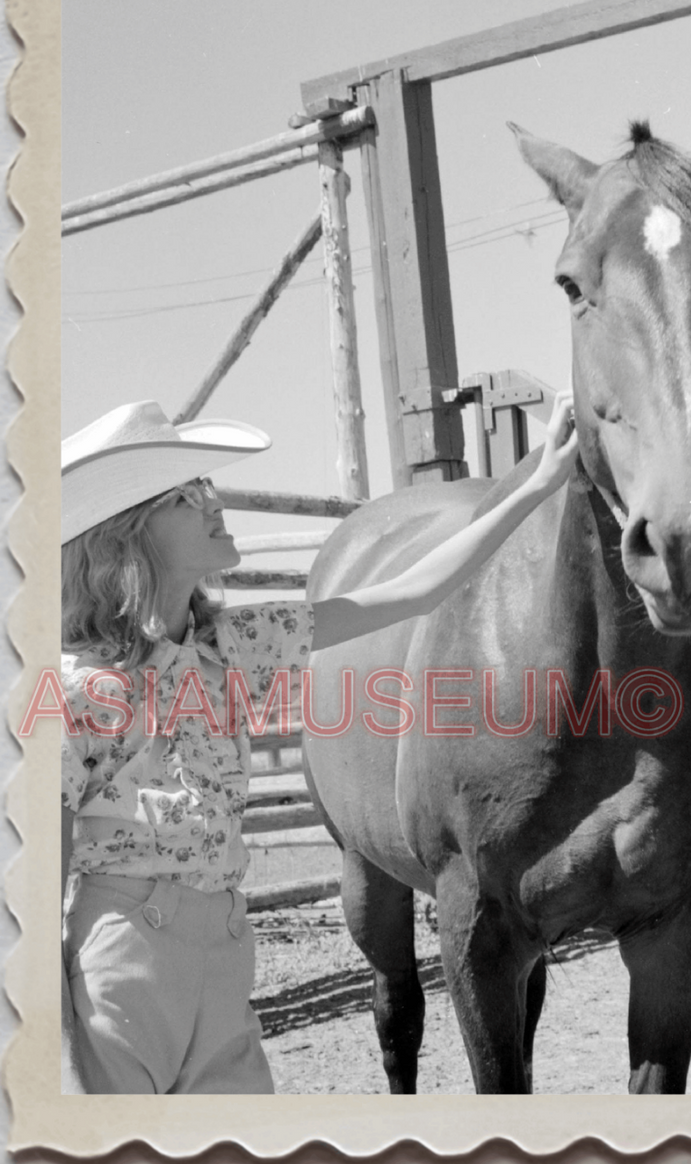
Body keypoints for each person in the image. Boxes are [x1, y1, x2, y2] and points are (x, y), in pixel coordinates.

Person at [59, 392, 580, 1094]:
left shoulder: (238, 645)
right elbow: (35, 870)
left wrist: (540, 483)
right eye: (184, 497)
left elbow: (416, 589)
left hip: (223, 956)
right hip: (122, 952)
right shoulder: (79, 688)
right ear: (127, 538)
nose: (213, 502)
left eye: (205, 484)